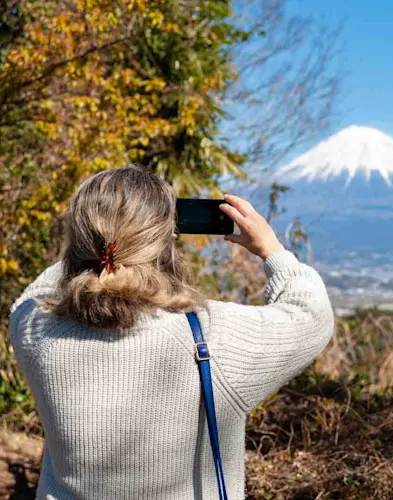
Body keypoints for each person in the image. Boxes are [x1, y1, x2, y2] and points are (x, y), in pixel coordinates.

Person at [9, 166, 334, 500]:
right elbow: (312, 315)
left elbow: (33, 294)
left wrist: (92, 252)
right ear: (165, 239)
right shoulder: (214, 336)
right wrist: (271, 249)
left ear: (79, 237)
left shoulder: (37, 330)